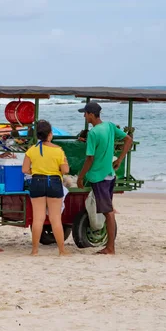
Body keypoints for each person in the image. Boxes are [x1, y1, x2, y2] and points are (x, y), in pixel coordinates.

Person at [76, 102, 133, 255]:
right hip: (110, 175)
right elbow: (128, 139)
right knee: (108, 210)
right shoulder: (109, 126)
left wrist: (80, 177)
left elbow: (89, 158)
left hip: (98, 177)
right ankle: (110, 246)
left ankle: (110, 248)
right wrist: (120, 160)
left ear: (91, 114)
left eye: (85, 113)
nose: (84, 116)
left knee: (108, 212)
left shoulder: (93, 133)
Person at [22, 120, 70, 256]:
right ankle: (62, 250)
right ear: (50, 134)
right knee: (55, 218)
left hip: (37, 181)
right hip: (54, 182)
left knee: (38, 218)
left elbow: (25, 169)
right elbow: (65, 169)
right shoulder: (58, 150)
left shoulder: (32, 150)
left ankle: (35, 250)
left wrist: (36, 171)